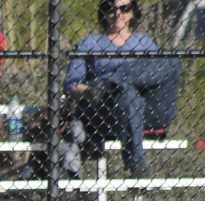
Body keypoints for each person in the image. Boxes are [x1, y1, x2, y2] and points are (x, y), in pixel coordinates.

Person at [63, 0, 182, 177]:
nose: (117, 13)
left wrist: (109, 81)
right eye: (111, 8)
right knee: (125, 94)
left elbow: (155, 75)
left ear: (133, 12)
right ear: (103, 12)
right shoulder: (89, 44)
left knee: (173, 61)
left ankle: (110, 82)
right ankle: (137, 165)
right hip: (105, 111)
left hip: (147, 110)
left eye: (124, 8)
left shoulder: (145, 43)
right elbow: (71, 84)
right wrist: (89, 91)